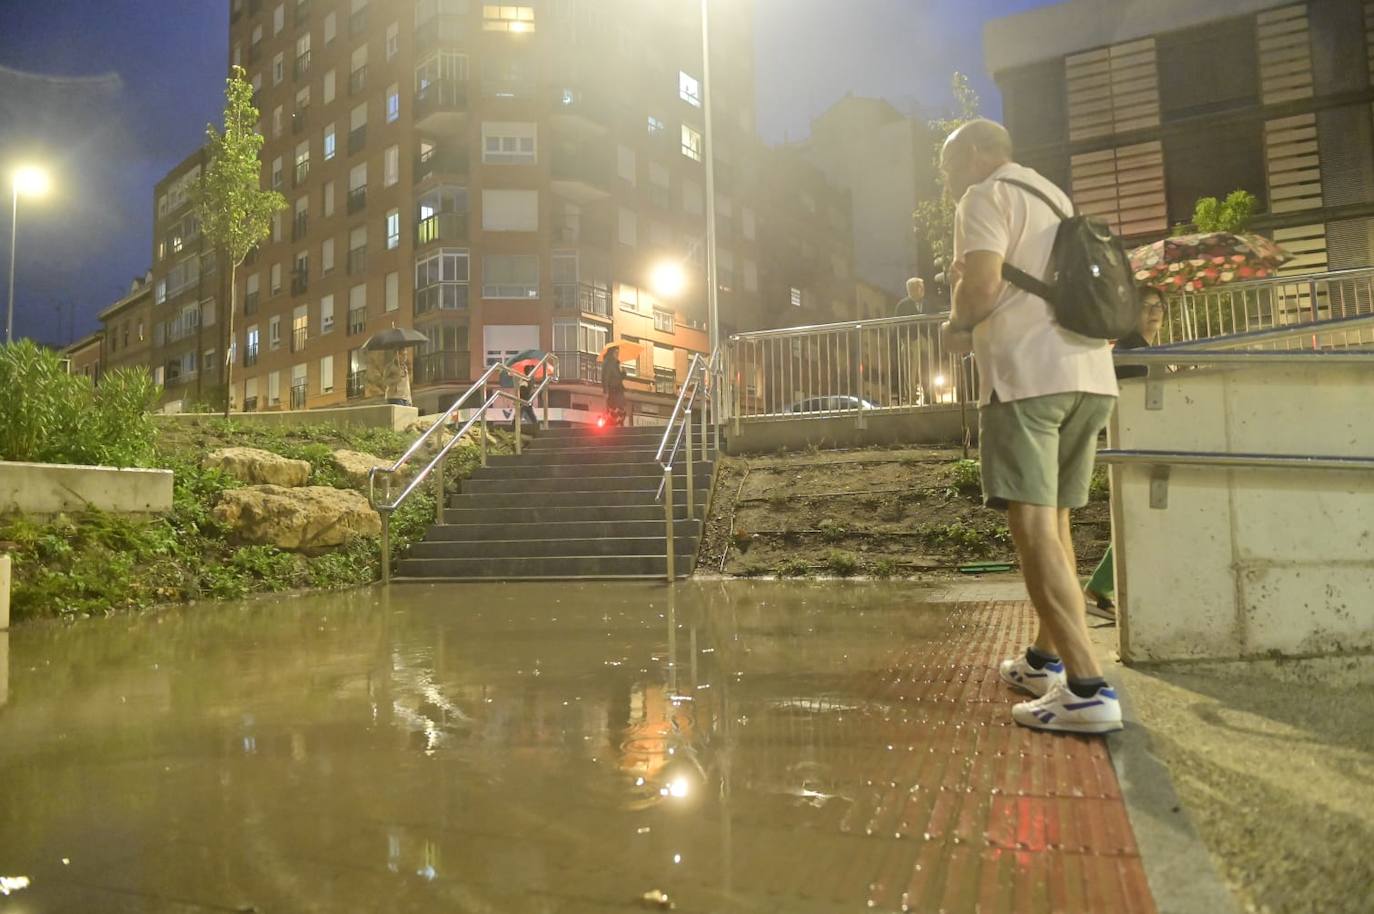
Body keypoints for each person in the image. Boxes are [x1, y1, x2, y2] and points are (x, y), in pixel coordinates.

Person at [939, 118, 1123, 735]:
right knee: (1056, 521)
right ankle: (1045, 660)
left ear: (973, 154)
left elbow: (984, 287)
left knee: (1032, 527)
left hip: (1028, 379)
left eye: (945, 168)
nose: (945, 184)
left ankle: (1087, 688)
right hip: (1089, 375)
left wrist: (957, 324)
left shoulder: (983, 195)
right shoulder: (1053, 194)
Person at [1083, 286, 1167, 619]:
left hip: (1141, 441)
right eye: (1144, 306)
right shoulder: (1131, 353)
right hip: (1140, 441)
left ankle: (1104, 585)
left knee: (1140, 517)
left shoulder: (1142, 349)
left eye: (1158, 305)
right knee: (1140, 517)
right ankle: (1103, 585)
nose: (1153, 311)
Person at [603, 349, 628, 427]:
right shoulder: (608, 364)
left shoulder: (617, 364)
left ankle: (619, 423)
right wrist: (606, 390)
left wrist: (624, 372)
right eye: (616, 352)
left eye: (618, 353)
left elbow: (619, 377)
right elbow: (605, 378)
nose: (617, 354)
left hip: (618, 389)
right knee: (614, 409)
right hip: (613, 390)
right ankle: (613, 423)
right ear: (612, 353)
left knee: (621, 409)